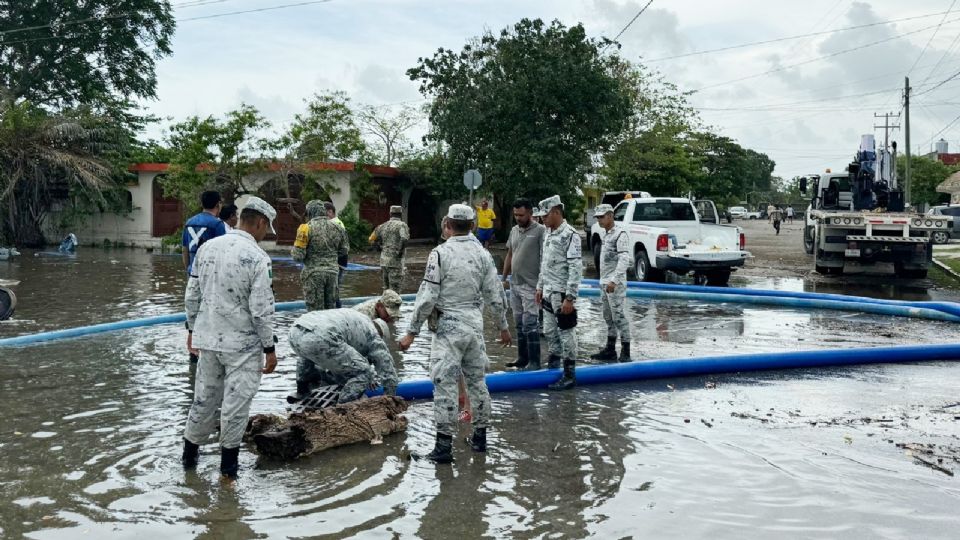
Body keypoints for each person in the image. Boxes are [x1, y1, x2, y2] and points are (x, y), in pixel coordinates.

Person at [399, 204, 511, 463]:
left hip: (449, 330)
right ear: (473, 225)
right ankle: (480, 439)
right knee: (477, 383)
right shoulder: (483, 255)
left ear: (447, 223)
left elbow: (427, 297)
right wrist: (503, 327)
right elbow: (495, 295)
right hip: (474, 328)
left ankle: (443, 448)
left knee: (445, 385)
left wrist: (411, 333)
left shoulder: (440, 254)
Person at [181, 197, 278, 480]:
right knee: (235, 408)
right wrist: (269, 347)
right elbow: (261, 310)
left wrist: (191, 330)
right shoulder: (258, 258)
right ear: (259, 223)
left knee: (203, 401)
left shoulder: (208, 249)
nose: (265, 235)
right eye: (265, 229)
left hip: (208, 340)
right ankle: (228, 476)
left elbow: (191, 296)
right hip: (243, 347)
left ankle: (188, 464)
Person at [288, 309, 399, 404]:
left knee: (309, 353)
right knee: (365, 372)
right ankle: (341, 407)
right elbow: (387, 371)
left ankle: (302, 390)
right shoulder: (374, 335)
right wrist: (390, 399)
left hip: (295, 332)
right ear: (381, 335)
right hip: (321, 337)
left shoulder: (357, 318)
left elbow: (342, 361)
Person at [535, 195, 582, 391]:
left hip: (562, 293)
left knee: (566, 333)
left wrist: (570, 297)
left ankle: (570, 374)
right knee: (548, 331)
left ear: (556, 212)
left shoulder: (570, 235)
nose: (542, 219)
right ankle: (553, 364)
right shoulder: (548, 233)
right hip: (547, 291)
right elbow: (544, 263)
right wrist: (539, 286)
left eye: (545, 215)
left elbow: (575, 267)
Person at [502, 198, 546, 370]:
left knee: (530, 322)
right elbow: (510, 254)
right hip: (515, 284)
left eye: (521, 215)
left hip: (531, 285)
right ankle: (522, 358)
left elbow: (544, 258)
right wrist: (504, 278)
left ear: (530, 213)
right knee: (519, 322)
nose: (518, 218)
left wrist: (541, 285)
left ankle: (535, 362)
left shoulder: (541, 231)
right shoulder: (514, 231)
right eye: (515, 215)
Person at [590, 204, 633, 362]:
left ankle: (626, 351)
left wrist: (614, 280)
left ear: (610, 216)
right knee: (608, 316)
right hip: (604, 282)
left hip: (615, 283)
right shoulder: (606, 234)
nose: (599, 220)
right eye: (598, 218)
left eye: (601, 217)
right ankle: (610, 349)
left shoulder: (619, 234)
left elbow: (624, 259)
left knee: (619, 316)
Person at [292, 200, 349, 311]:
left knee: (315, 313)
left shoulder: (305, 228)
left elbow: (298, 256)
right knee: (331, 311)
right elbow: (344, 250)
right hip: (333, 274)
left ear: (310, 212)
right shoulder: (338, 227)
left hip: (313, 275)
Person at [181, 191, 226, 276]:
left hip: (192, 272)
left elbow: (184, 249)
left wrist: (188, 269)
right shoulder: (218, 224)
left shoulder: (189, 222)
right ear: (218, 204)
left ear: (202, 204)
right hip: (210, 275)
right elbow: (222, 252)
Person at [369, 206, 410, 292]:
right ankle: (392, 305)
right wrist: (399, 252)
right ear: (401, 214)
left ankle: (385, 305)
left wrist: (380, 246)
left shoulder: (382, 226)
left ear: (390, 214)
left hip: (384, 262)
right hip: (395, 263)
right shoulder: (402, 225)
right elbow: (404, 239)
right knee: (394, 291)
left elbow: (371, 239)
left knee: (386, 289)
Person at [324, 201, 348, 308]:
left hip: (337, 262)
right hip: (339, 261)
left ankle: (338, 311)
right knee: (333, 289)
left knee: (333, 290)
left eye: (323, 213)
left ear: (330, 212)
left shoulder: (335, 224)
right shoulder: (337, 223)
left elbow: (340, 246)